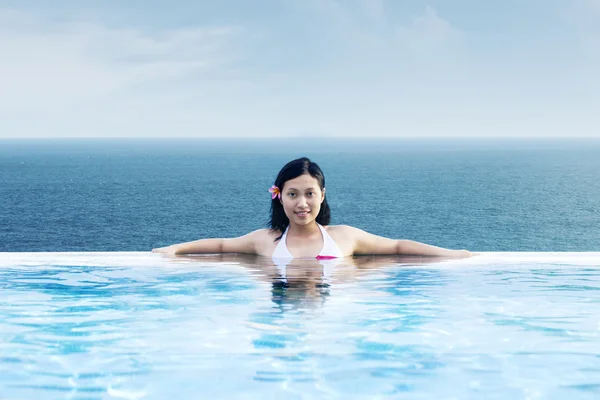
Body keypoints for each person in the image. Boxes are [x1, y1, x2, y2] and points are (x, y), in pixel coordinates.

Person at [152, 157, 473, 259]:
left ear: (322, 195)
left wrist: (452, 254)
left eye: (309, 194)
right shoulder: (266, 240)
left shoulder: (344, 237)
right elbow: (221, 245)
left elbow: (399, 247)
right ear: (279, 196)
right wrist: (174, 249)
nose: (302, 203)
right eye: (292, 194)